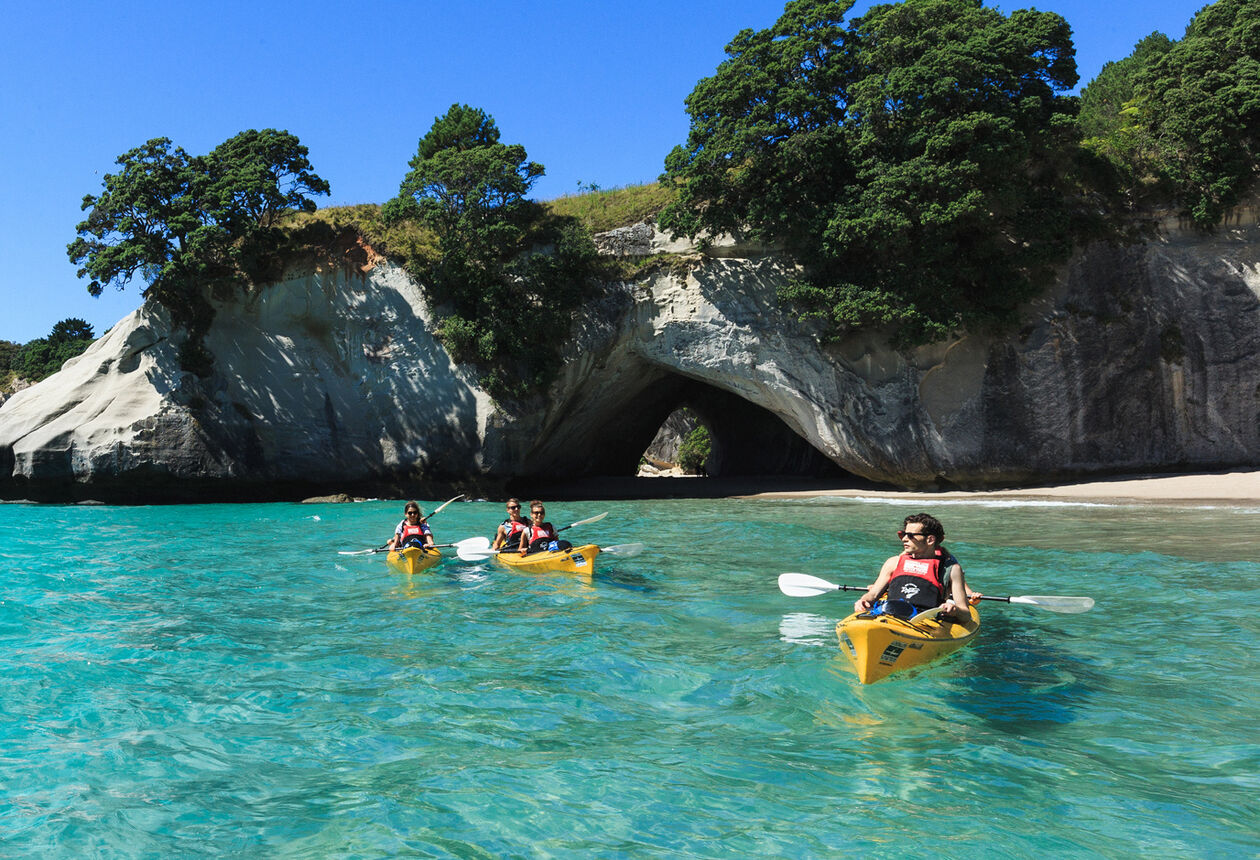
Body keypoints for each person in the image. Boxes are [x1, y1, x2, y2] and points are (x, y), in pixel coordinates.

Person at [852, 513, 976, 621]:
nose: (904, 539)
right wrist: (864, 600)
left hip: (924, 622)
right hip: (888, 615)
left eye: (910, 535)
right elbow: (873, 595)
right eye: (903, 534)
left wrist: (954, 610)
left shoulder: (951, 569)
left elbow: (965, 615)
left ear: (930, 540)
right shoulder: (893, 562)